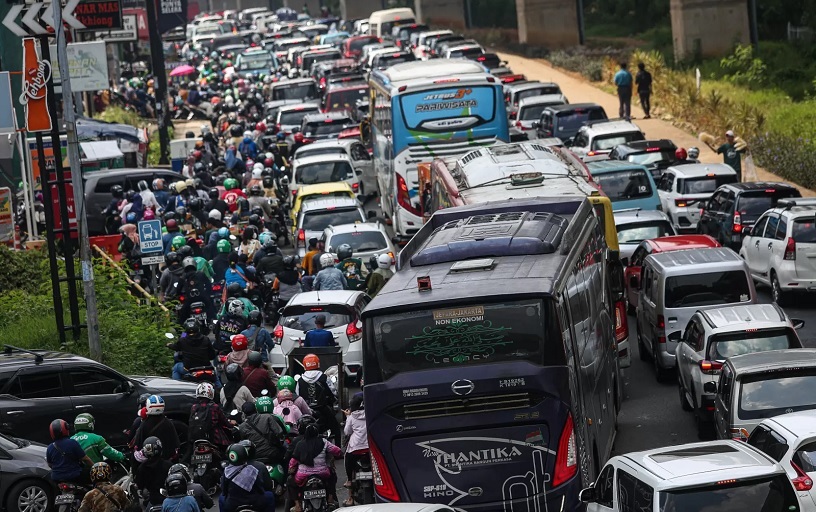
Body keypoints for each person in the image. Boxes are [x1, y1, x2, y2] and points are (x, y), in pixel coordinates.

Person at [288, 421, 342, 512]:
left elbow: (293, 460)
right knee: (333, 476)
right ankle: (330, 498)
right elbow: (337, 451)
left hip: (303, 476)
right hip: (323, 473)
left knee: (290, 481)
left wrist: (291, 468)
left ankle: (297, 505)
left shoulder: (300, 444)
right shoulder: (324, 442)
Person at [295, 354, 340, 446]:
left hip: (306, 410)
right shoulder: (324, 377)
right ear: (317, 364)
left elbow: (298, 395)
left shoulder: (300, 380)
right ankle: (338, 450)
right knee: (336, 428)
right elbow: (333, 391)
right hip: (323, 408)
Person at [219, 442, 276, 512]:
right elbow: (261, 488)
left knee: (221, 498)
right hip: (256, 503)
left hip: (232, 505)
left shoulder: (227, 471)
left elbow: (224, 491)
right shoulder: (252, 470)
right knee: (270, 495)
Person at [238, 397, 287, 465]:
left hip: (256, 456)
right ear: (256, 409)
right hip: (273, 452)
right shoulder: (267, 417)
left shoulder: (242, 427)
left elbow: (244, 442)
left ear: (244, 413)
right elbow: (279, 432)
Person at [188, 382, 233, 453]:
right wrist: (231, 424)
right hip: (214, 439)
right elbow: (224, 421)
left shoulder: (194, 407)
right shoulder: (214, 407)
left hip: (196, 439)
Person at [47, 419, 94, 484]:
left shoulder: (50, 447)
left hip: (56, 478)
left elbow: (50, 464)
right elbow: (85, 459)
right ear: (65, 429)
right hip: (74, 476)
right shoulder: (72, 443)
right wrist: (95, 467)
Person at [133, 395, 180, 461]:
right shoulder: (168, 423)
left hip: (149, 463)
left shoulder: (144, 424)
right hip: (165, 462)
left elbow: (138, 446)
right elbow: (175, 445)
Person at [341, 394, 367, 504]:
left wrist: (347, 416)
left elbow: (347, 432)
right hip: (370, 447)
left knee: (348, 460)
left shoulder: (352, 417)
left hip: (355, 449)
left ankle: (349, 481)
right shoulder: (370, 413)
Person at [134, 436, 171, 509]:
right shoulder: (168, 465)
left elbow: (139, 485)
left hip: (153, 501)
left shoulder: (142, 467)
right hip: (169, 498)